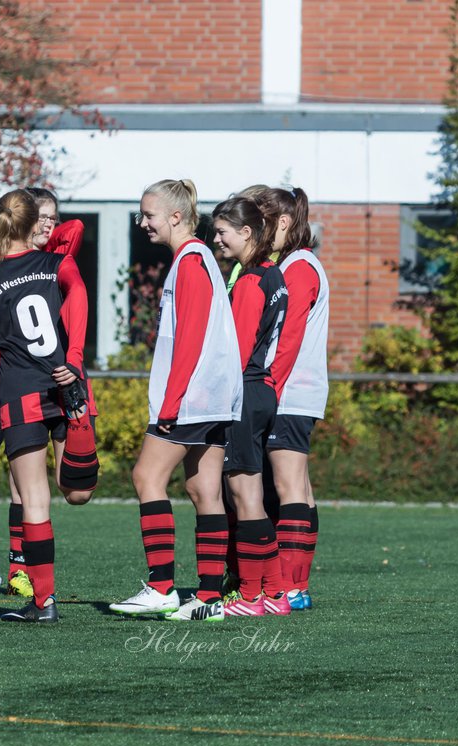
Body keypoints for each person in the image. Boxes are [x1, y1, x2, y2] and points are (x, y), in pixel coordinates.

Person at [0, 188, 97, 623]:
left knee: (34, 498)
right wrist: (73, 358)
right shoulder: (58, 262)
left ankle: (43, 602)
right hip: (66, 381)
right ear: (34, 222)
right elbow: (78, 297)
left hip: (19, 393)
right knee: (77, 492)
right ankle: (81, 428)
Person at [110, 179, 241, 622]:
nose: (142, 222)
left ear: (176, 217)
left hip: (192, 399)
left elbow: (189, 340)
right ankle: (208, 599)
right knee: (203, 489)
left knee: (146, 477)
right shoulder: (196, 260)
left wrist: (171, 403)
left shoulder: (190, 261)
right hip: (213, 398)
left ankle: (162, 586)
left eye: (148, 214)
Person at [211, 196, 291, 617]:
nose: (217, 239)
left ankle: (249, 596)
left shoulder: (249, 282)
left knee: (244, 496)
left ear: (246, 233)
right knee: (253, 495)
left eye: (223, 231)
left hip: (244, 389)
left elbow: (237, 351)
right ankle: (275, 592)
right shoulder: (273, 274)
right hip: (263, 391)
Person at [256, 186, 329, 611]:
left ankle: (290, 586)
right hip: (298, 390)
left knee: (288, 486)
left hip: (290, 391)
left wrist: (272, 387)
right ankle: (296, 586)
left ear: (283, 223)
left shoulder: (299, 266)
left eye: (264, 225)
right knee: (298, 486)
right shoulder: (297, 263)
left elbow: (290, 335)